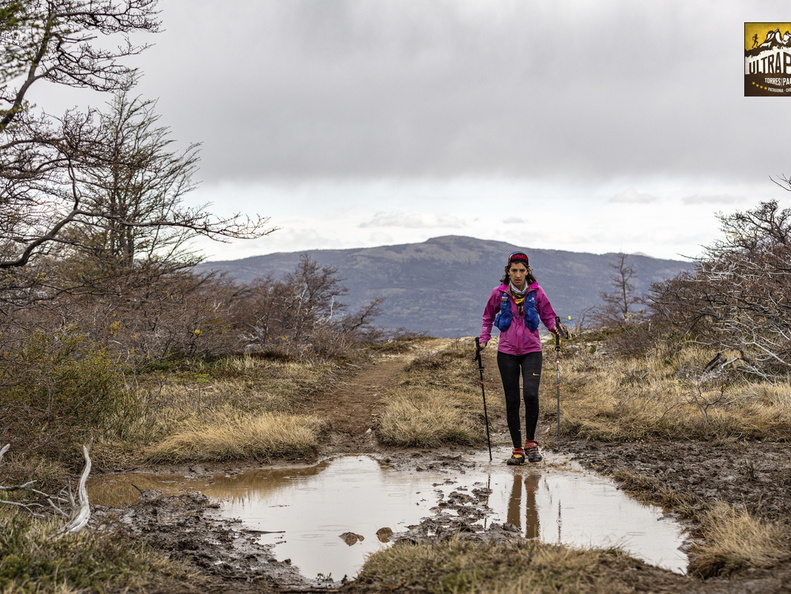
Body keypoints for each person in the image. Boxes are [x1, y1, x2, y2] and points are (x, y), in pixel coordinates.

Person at [479, 251, 560, 465]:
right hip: (506, 352)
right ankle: (517, 449)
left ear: (527, 271)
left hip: (532, 349)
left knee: (531, 395)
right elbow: (488, 316)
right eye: (513, 270)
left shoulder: (537, 292)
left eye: (521, 270)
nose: (517, 274)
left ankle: (531, 444)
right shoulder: (499, 293)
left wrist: (555, 329)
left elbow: (548, 315)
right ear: (508, 271)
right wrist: (484, 339)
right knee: (512, 400)